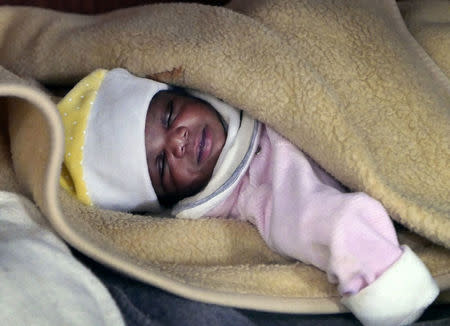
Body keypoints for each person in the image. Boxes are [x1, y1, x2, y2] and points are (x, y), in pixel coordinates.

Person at [58, 68, 439, 326]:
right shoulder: (262, 189)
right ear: (168, 201)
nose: (177, 140)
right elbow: (326, 220)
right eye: (160, 165)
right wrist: (383, 278)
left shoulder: (233, 84)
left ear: (180, 90)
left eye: (169, 114)